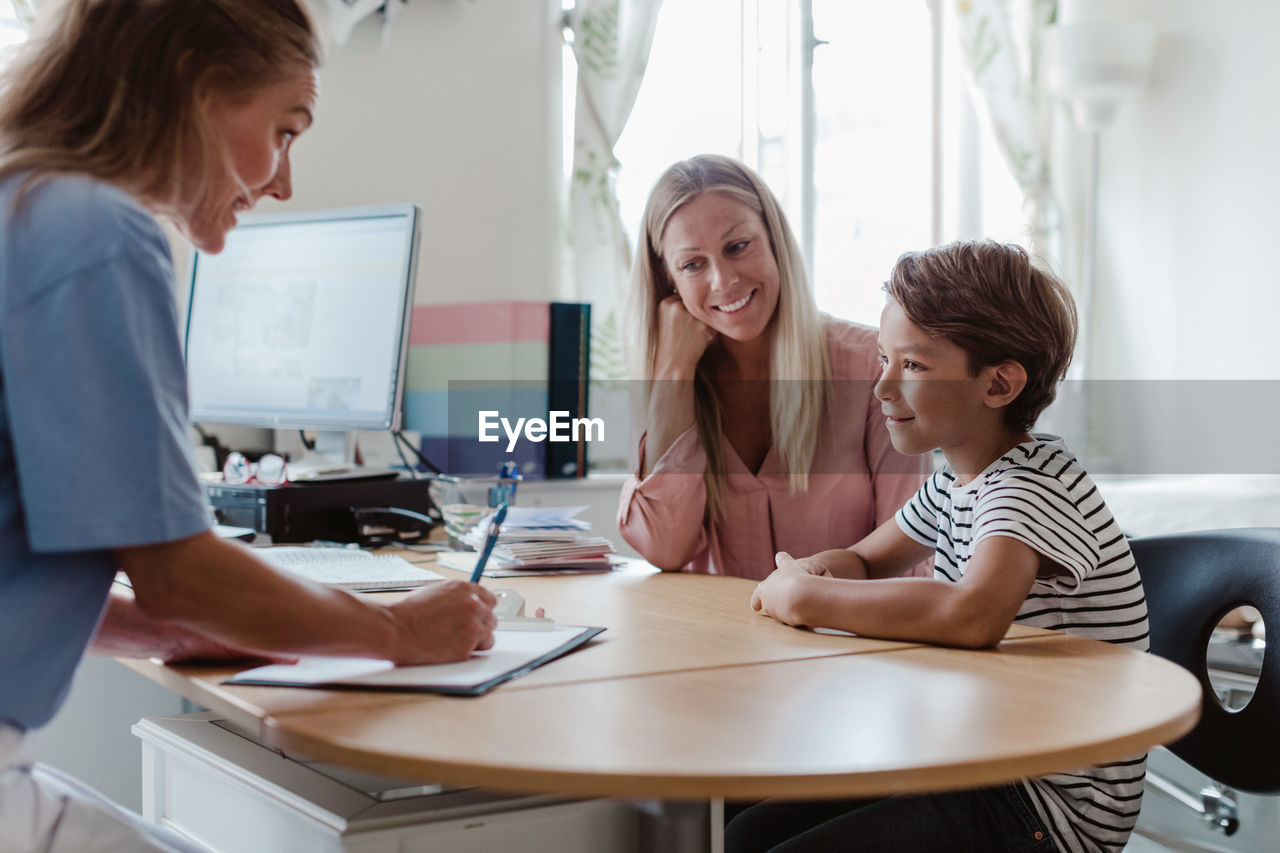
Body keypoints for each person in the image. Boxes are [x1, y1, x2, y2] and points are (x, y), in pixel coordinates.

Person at [0, 3, 496, 851]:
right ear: (196, 83)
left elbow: (49, 546)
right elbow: (180, 573)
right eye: (285, 129)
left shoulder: (25, 203)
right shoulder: (97, 233)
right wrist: (395, 631)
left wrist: (153, 627)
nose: (283, 181)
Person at [736, 240, 1150, 853]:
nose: (881, 388)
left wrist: (807, 600)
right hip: (977, 764)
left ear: (1000, 384)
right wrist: (817, 572)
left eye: (914, 366)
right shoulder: (957, 480)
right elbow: (868, 560)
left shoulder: (1029, 488)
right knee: (743, 831)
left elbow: (974, 615)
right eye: (883, 359)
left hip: (1045, 805)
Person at [617, 154, 929, 580]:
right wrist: (673, 373)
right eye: (693, 264)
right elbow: (665, 549)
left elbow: (912, 558)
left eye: (737, 247)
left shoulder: (872, 368)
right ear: (668, 278)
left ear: (773, 240)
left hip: (851, 639)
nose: (723, 281)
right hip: (716, 641)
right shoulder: (669, 383)